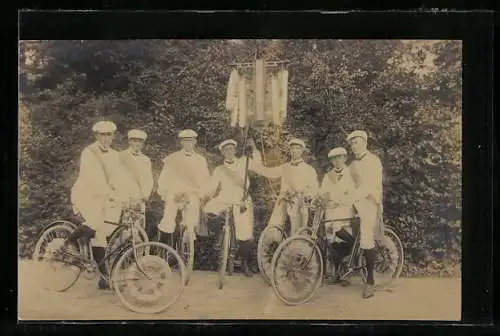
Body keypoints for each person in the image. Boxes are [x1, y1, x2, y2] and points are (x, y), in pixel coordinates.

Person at [70, 121, 142, 289]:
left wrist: (132, 196)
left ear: (113, 136)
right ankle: (70, 242)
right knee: (96, 223)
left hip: (104, 198)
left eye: (109, 135)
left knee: (104, 233)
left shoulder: (114, 155)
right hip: (85, 194)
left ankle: (104, 278)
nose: (106, 138)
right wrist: (112, 195)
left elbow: (121, 178)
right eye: (103, 135)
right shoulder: (89, 153)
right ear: (96, 136)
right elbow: (93, 179)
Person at [204, 139, 255, 277]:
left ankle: (244, 263)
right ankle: (220, 238)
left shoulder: (243, 163)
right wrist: (206, 195)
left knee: (245, 233)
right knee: (209, 209)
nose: (229, 152)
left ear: (235, 150)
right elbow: (212, 187)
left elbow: (248, 183)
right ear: (222, 153)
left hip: (240, 198)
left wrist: (253, 150)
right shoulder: (219, 169)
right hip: (225, 198)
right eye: (226, 150)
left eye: (231, 149)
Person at [250, 138, 319, 235]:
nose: (294, 151)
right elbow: (265, 171)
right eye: (292, 148)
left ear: (302, 151)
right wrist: (254, 151)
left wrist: (308, 195)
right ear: (290, 150)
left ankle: (298, 246)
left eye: (297, 148)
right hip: (283, 201)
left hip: (300, 203)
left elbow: (314, 188)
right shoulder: (285, 167)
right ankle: (275, 244)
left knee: (299, 231)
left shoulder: (309, 169)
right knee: (274, 228)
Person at [346, 130, 385, 299]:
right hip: (356, 203)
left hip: (370, 203)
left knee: (367, 238)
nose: (353, 146)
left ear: (364, 143)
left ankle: (370, 282)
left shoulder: (373, 161)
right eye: (351, 143)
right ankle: (348, 267)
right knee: (341, 227)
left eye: (355, 142)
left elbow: (371, 185)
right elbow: (345, 185)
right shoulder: (352, 165)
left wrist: (354, 197)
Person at [157, 129, 211, 247]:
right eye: (185, 141)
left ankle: (187, 252)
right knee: (168, 220)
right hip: (174, 193)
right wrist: (167, 193)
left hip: (191, 195)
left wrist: (201, 195)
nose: (188, 144)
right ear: (181, 143)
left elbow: (205, 181)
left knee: (191, 223)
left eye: (190, 141)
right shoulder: (172, 158)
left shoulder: (201, 160)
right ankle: (162, 248)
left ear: (195, 142)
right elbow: (163, 179)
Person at [319, 146, 357, 284]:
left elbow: (353, 194)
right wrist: (325, 200)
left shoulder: (351, 174)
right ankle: (336, 273)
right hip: (331, 212)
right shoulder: (328, 176)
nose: (337, 161)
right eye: (334, 158)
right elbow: (323, 192)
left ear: (345, 158)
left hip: (345, 211)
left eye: (339, 157)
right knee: (332, 242)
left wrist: (340, 200)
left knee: (344, 239)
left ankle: (347, 272)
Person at [118, 129, 154, 230]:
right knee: (124, 228)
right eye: (135, 141)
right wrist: (123, 197)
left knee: (139, 228)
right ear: (130, 141)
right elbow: (117, 178)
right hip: (125, 198)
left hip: (140, 198)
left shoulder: (146, 160)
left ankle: (138, 246)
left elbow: (149, 180)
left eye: (140, 141)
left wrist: (145, 195)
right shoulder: (121, 156)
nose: (138, 144)